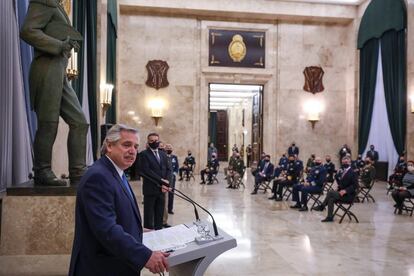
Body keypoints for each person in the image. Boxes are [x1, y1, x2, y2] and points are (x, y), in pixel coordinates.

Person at [69, 124, 169, 275]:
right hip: (101, 268)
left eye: (136, 147)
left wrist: (139, 231)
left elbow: (114, 214)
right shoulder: (98, 176)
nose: (133, 151)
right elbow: (106, 229)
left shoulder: (116, 171)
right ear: (109, 145)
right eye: (126, 145)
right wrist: (145, 256)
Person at [20, 0, 89, 186]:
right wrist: (58, 45)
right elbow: (28, 30)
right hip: (46, 68)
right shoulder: (44, 1)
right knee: (48, 123)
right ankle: (42, 171)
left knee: (80, 122)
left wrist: (68, 43)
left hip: (59, 70)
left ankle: (78, 172)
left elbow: (56, 30)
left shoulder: (56, 5)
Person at [138, 133, 172, 230]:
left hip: (162, 190)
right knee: (149, 215)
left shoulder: (163, 154)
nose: (154, 142)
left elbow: (169, 169)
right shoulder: (144, 154)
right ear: (148, 142)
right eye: (152, 141)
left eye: (156, 140)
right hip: (150, 189)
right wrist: (161, 180)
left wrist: (167, 182)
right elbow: (146, 171)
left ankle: (159, 231)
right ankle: (149, 236)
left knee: (160, 213)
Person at [312, 156, 358, 222]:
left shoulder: (353, 172)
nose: (345, 163)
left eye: (346, 162)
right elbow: (341, 182)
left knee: (330, 192)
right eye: (343, 162)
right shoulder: (342, 171)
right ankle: (330, 217)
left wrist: (345, 190)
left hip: (349, 196)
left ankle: (322, 206)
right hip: (341, 194)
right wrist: (338, 178)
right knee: (331, 199)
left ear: (350, 162)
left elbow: (355, 186)